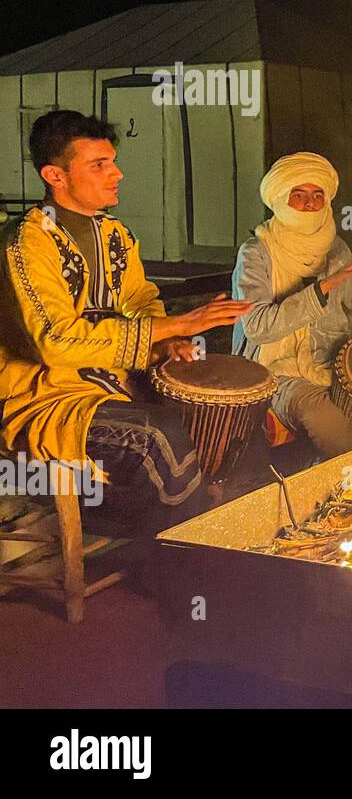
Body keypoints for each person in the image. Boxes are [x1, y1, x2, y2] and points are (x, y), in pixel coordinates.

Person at [0, 110, 250, 531]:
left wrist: (169, 343)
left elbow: (140, 297)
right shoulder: (27, 241)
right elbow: (54, 342)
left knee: (229, 406)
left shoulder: (115, 234)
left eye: (113, 161)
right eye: (99, 165)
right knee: (160, 432)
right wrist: (173, 326)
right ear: (55, 176)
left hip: (115, 381)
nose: (116, 174)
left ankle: (208, 529)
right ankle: (188, 561)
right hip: (48, 399)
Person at [231, 153, 352, 458]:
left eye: (317, 196)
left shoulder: (336, 248)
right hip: (274, 372)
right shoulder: (255, 253)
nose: (311, 205)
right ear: (281, 200)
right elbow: (258, 328)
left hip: (328, 364)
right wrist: (325, 286)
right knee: (323, 415)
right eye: (299, 196)